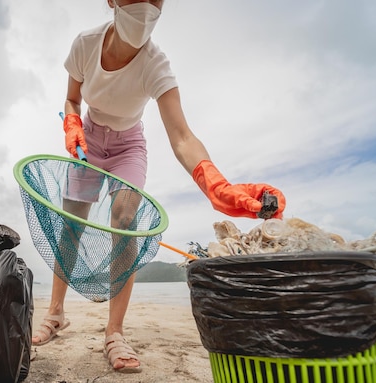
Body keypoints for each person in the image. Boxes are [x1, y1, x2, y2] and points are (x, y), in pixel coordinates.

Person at [32, 0, 287, 373]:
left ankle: (115, 333)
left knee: (125, 220)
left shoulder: (155, 64)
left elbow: (182, 137)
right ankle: (55, 314)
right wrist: (71, 124)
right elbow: (72, 98)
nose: (148, 5)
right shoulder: (85, 44)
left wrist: (216, 185)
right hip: (89, 140)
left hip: (127, 147)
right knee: (72, 224)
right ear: (112, 2)